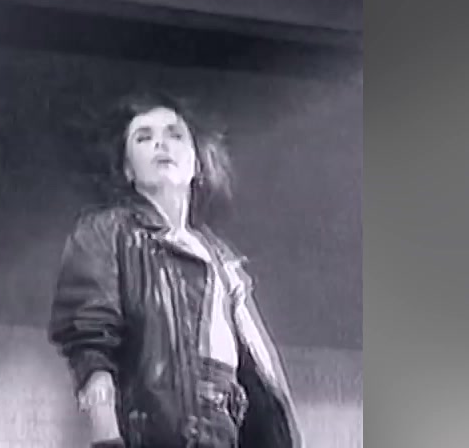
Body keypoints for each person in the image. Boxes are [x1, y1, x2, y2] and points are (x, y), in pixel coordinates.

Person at [48, 91, 302, 448]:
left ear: (197, 163)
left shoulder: (224, 262)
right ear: (127, 169)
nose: (161, 144)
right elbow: (89, 344)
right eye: (144, 137)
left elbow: (259, 383)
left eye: (175, 134)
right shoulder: (108, 232)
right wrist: (106, 436)